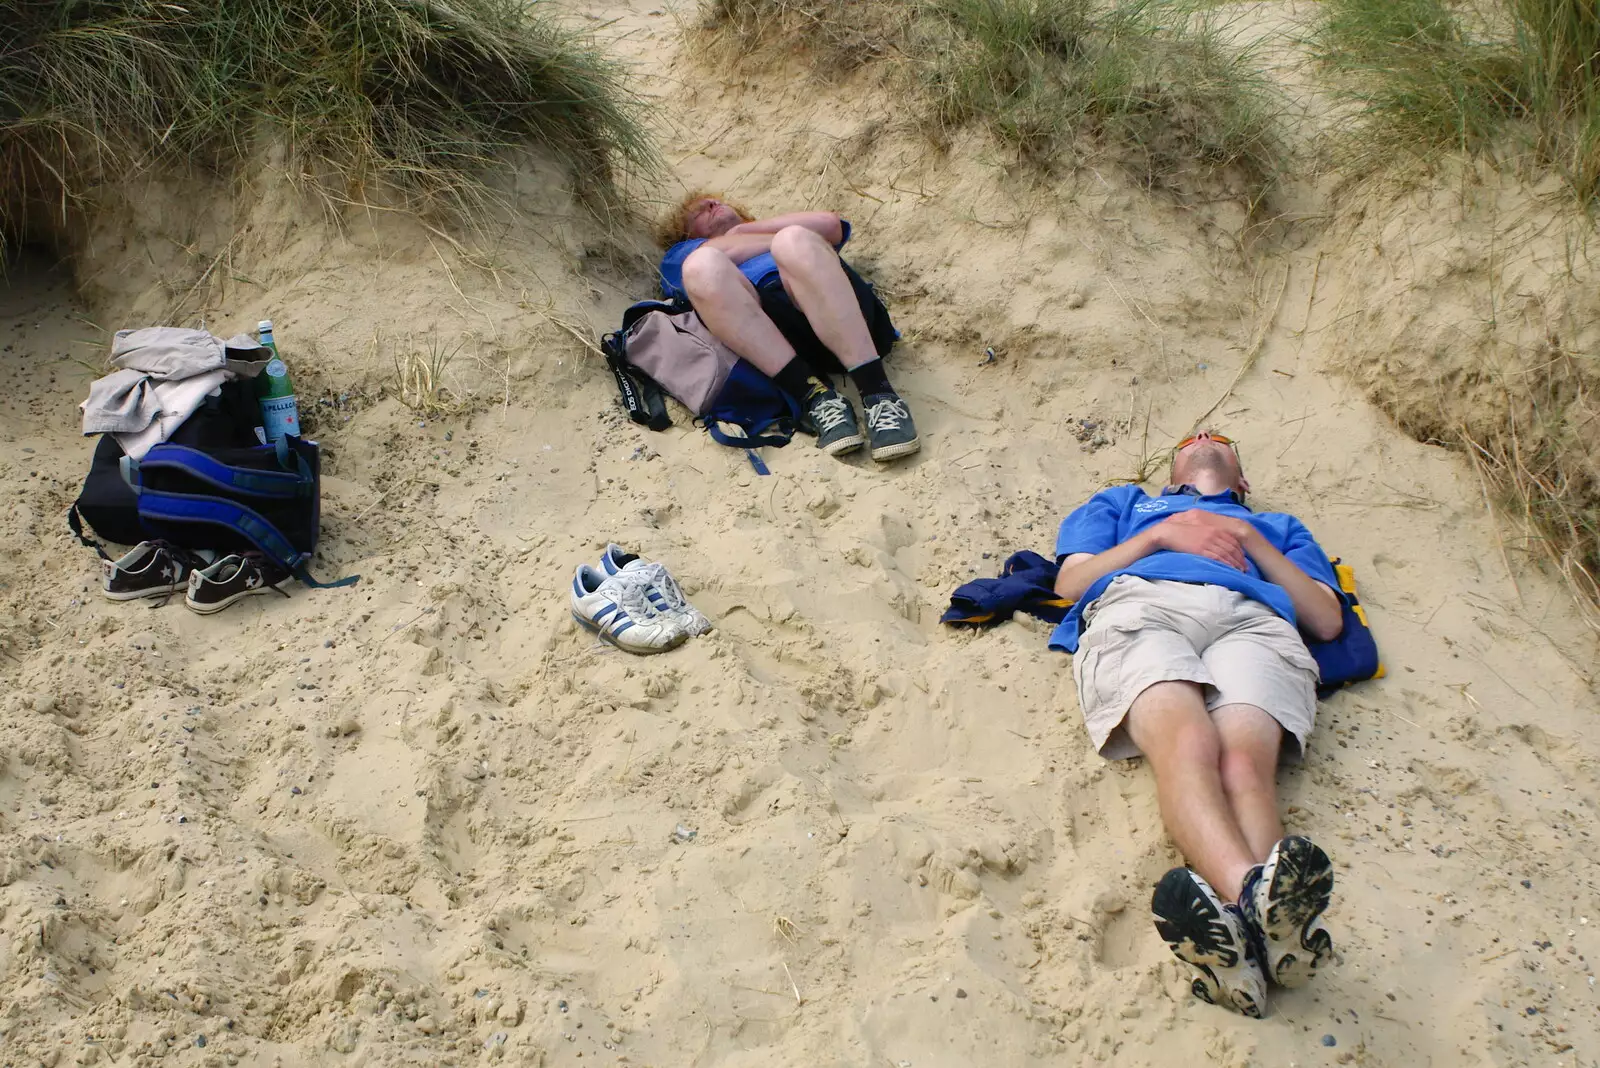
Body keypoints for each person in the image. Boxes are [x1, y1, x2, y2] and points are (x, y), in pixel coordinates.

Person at [1049, 430, 1342, 1018]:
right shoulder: (1125, 505)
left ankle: (1239, 946)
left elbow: (1326, 619)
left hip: (1253, 621)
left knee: (1243, 766)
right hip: (1143, 602)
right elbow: (1070, 585)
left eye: (1222, 438)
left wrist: (1246, 536)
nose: (1206, 436)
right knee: (1189, 742)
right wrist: (1159, 534)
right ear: (1169, 477)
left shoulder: (1278, 527)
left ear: (1243, 482)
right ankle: (1261, 911)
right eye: (1193, 436)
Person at [656, 193, 919, 462]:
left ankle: (880, 394)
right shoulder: (682, 254)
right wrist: (779, 238)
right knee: (702, 266)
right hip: (782, 346)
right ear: (685, 234)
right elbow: (710, 258)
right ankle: (817, 398)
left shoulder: (771, 230)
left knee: (793, 241)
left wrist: (745, 230)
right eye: (698, 211)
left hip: (849, 319)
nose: (712, 204)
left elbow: (830, 225)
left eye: (714, 201)